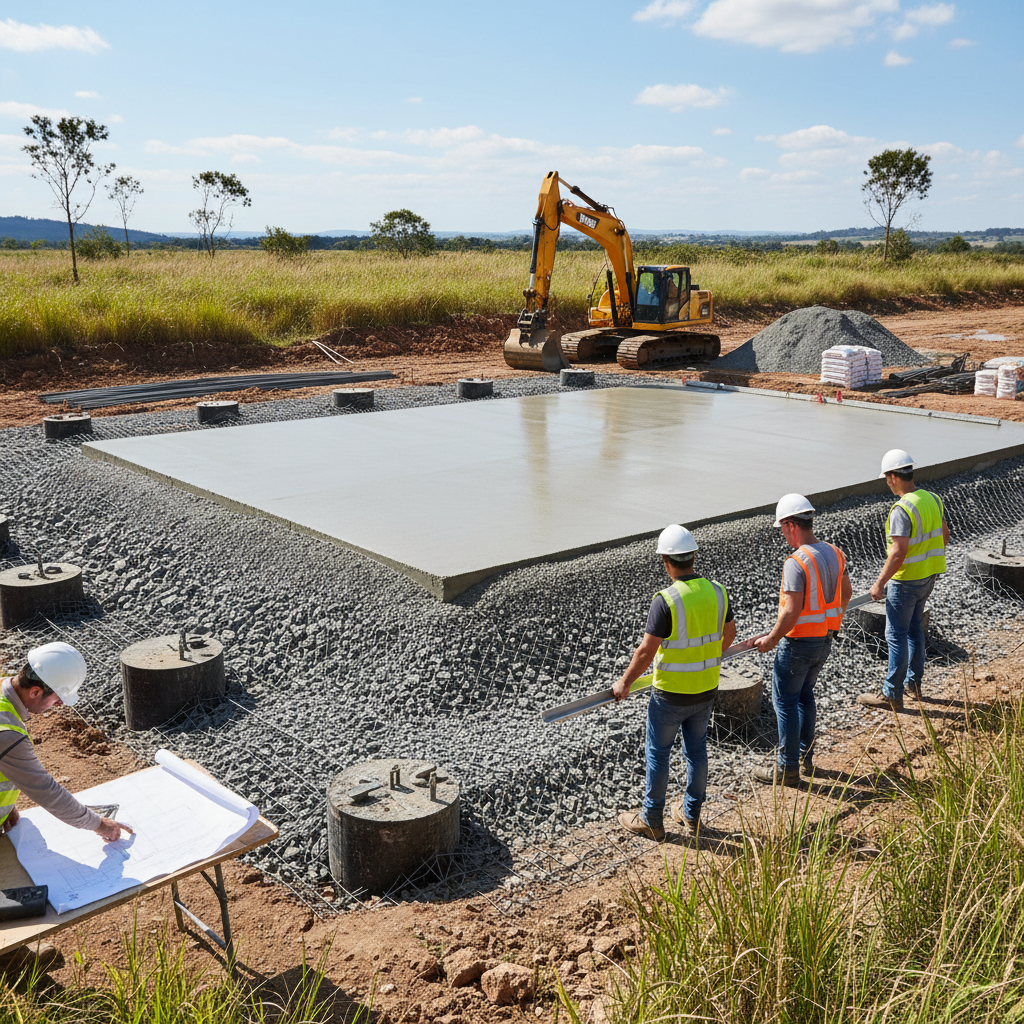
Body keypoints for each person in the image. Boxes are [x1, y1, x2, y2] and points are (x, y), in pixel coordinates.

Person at [613, 524, 735, 839]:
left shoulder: (666, 600)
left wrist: (624, 683)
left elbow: (645, 652)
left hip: (670, 695)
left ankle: (652, 820)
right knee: (696, 751)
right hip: (706, 689)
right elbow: (730, 634)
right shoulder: (718, 592)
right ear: (693, 556)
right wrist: (706, 657)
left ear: (666, 561)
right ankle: (692, 815)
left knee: (658, 753)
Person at [752, 494, 852, 786]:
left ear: (791, 525)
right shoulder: (835, 552)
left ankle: (788, 769)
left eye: (783, 529)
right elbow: (846, 593)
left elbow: (792, 610)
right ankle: (805, 759)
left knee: (785, 703)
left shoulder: (796, 562)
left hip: (797, 645)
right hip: (825, 640)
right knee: (805, 696)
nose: (783, 535)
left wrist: (771, 639)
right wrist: (832, 623)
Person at [0, 642, 133, 842]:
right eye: (57, 699)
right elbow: (46, 791)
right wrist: (99, 824)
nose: (59, 705)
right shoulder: (8, 733)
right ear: (35, 692)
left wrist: (6, 807)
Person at [857, 449, 948, 711]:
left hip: (906, 581)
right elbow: (945, 535)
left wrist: (879, 583)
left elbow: (898, 553)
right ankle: (914, 684)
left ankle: (891, 694)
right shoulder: (933, 499)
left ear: (893, 477)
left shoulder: (902, 509)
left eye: (887, 478)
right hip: (928, 576)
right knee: (914, 629)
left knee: (896, 635)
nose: (887, 483)